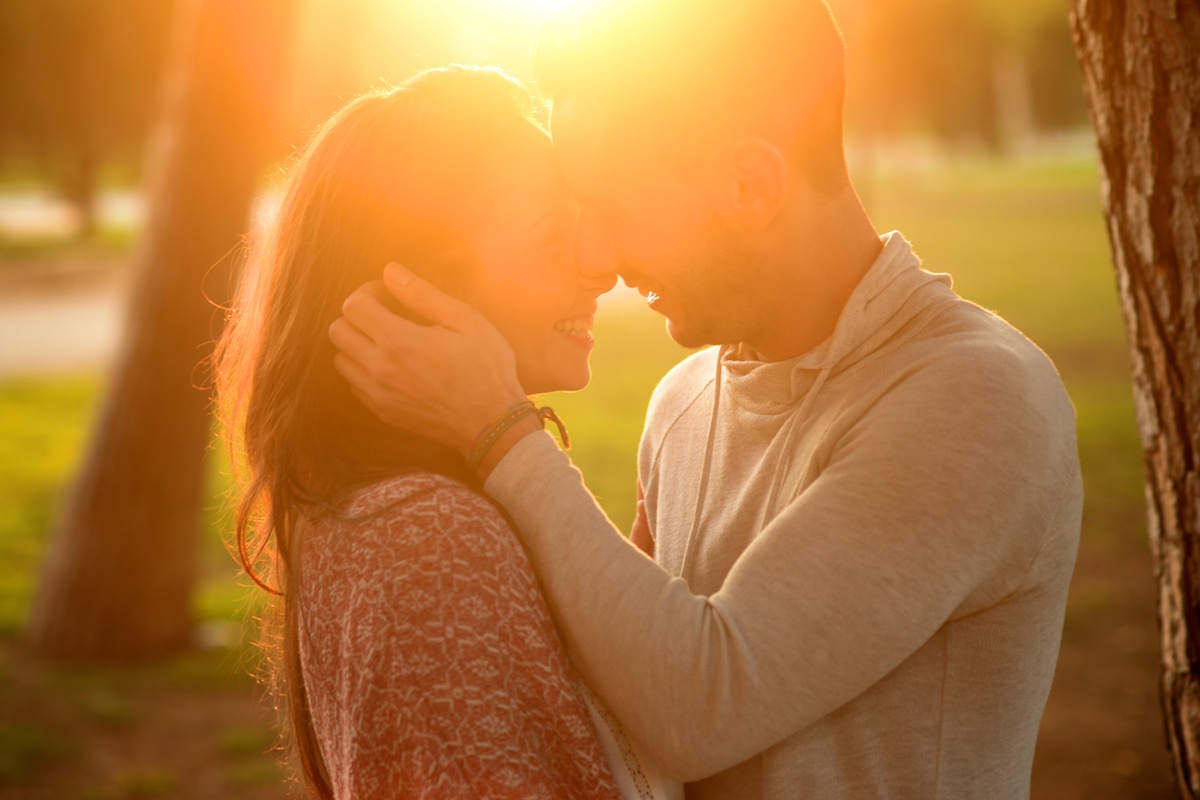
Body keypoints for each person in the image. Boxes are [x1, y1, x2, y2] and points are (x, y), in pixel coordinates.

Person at [328, 0, 1084, 798]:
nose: (598, 256)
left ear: (748, 185)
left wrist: (500, 430)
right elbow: (623, 685)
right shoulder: (682, 401)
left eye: (615, 210)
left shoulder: (973, 399)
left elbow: (698, 709)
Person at [215, 65, 681, 800]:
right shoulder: (430, 540)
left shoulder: (378, 509)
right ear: (418, 292)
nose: (601, 266)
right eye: (553, 236)